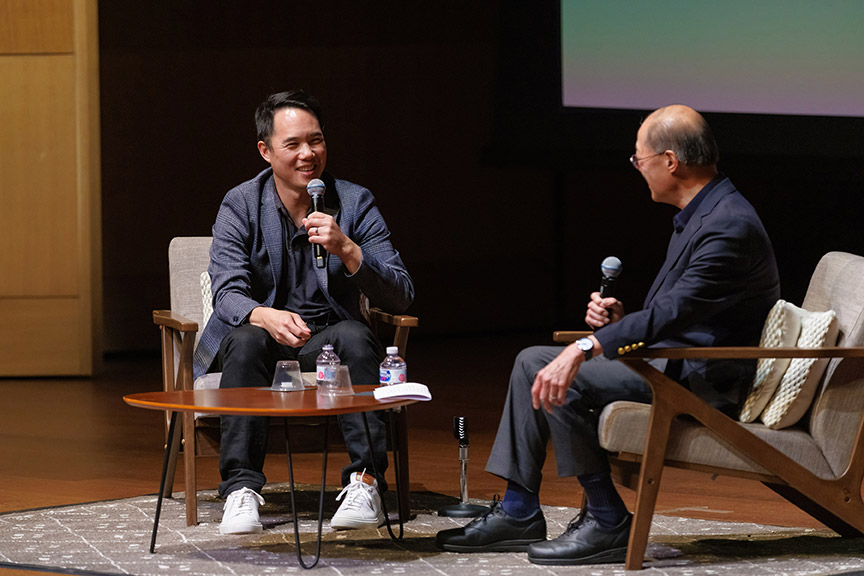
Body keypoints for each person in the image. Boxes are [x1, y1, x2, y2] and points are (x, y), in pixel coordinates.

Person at [436, 105, 780, 565]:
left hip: (703, 383)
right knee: (531, 360)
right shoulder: (708, 212)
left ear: (670, 161)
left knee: (557, 369)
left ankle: (607, 519)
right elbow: (685, 313)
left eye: (639, 160)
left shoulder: (728, 226)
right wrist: (620, 324)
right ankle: (519, 510)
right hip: (675, 363)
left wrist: (587, 345)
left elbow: (678, 312)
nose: (638, 169)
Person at [192, 90, 415, 535]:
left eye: (315, 141)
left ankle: (366, 482)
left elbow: (401, 294)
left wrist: (348, 249)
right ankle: (240, 488)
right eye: (292, 144)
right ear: (266, 150)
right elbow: (228, 292)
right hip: (260, 341)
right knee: (244, 337)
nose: (307, 154)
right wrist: (264, 314)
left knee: (354, 334)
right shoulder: (240, 203)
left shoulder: (353, 203)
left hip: (324, 342)